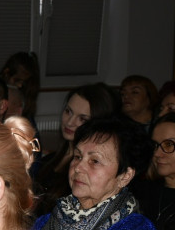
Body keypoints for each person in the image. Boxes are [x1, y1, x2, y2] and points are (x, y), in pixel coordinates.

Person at [32, 83, 116, 216]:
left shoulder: (87, 170)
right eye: (68, 111)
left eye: (82, 118)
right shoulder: (49, 159)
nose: (70, 122)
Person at [0, 50, 41, 121]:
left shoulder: (26, 93)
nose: (20, 85)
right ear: (6, 73)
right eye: (17, 80)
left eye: (24, 82)